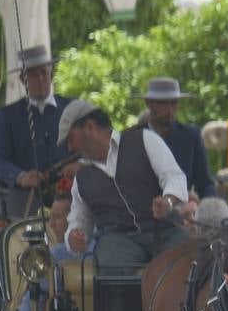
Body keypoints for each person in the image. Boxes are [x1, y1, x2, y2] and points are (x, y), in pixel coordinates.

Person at [59, 99, 189, 267]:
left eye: (71, 139)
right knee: (109, 271)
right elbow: (79, 219)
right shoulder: (81, 178)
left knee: (187, 265)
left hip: (165, 230)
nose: (70, 148)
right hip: (118, 241)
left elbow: (174, 177)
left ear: (90, 127)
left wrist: (168, 201)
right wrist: (73, 237)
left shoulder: (144, 140)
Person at [0, 44, 72, 217]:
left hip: (71, 197)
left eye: (44, 72)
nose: (41, 78)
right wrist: (21, 176)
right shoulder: (7, 116)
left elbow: (92, 150)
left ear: (51, 74)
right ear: (23, 79)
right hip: (26, 199)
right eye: (33, 74)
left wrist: (80, 165)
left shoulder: (71, 108)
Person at [133, 77, 214, 216]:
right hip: (140, 216)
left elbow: (205, 184)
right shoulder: (133, 139)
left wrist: (209, 209)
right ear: (149, 103)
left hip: (183, 215)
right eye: (163, 104)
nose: (170, 110)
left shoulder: (191, 136)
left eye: (174, 103)